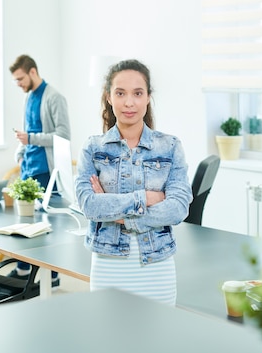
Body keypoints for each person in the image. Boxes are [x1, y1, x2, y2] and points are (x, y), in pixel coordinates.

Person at [75, 59, 192, 305]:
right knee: (110, 340)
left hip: (157, 266)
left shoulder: (170, 146)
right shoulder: (93, 148)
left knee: (158, 340)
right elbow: (89, 206)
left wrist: (116, 210)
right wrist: (148, 198)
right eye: (120, 93)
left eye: (137, 93)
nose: (129, 102)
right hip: (108, 265)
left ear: (148, 97)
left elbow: (179, 208)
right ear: (109, 97)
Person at [9, 54, 71, 286]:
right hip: (29, 167)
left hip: (46, 170)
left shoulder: (54, 97)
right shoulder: (28, 97)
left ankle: (51, 275)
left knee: (45, 225)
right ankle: (24, 270)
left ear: (32, 72)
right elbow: (28, 131)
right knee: (25, 222)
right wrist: (21, 148)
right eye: (15, 80)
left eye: (20, 78)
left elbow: (63, 136)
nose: (18, 84)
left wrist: (31, 138)